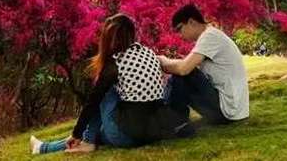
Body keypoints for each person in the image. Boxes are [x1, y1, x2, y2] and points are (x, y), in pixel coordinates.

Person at [30, 14, 191, 155]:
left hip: (127, 135)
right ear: (132, 33)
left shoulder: (116, 62)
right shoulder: (149, 53)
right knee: (98, 133)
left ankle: (85, 142)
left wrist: (77, 132)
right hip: (152, 133)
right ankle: (45, 148)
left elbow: (93, 102)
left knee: (103, 92)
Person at [159, 4, 249, 125]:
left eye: (180, 29)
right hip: (233, 110)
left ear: (191, 22)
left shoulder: (210, 36)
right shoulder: (211, 35)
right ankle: (173, 120)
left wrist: (162, 60)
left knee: (181, 74)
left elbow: (184, 69)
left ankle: (172, 122)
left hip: (227, 111)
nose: (180, 35)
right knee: (180, 75)